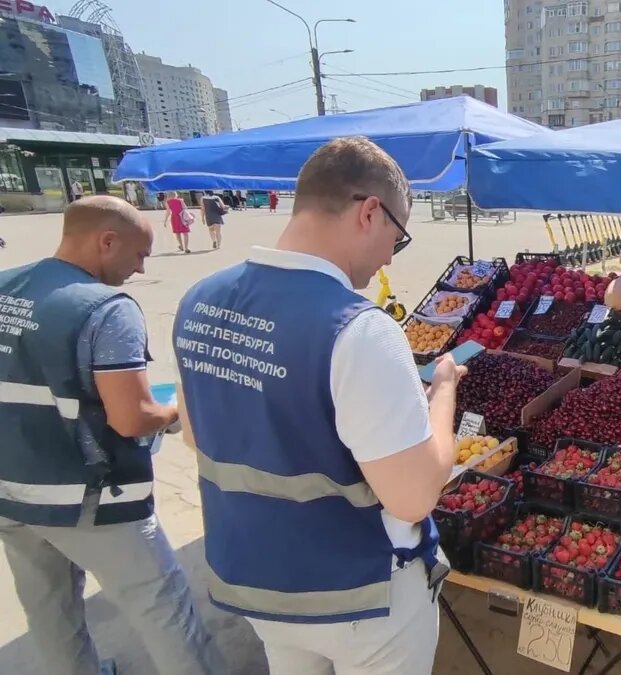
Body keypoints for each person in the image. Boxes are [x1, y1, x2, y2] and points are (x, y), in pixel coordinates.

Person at [173, 137, 462, 675]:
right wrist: (443, 391)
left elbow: (197, 435)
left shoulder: (198, 300)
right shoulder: (359, 329)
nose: (385, 261)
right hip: (358, 596)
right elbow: (414, 495)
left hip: (258, 582)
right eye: (395, 241)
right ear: (370, 213)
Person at [0, 195, 225, 675]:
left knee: (49, 607)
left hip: (11, 487)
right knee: (162, 606)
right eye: (139, 254)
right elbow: (131, 418)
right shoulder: (105, 308)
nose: (142, 269)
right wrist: (178, 411)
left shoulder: (4, 287)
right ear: (107, 241)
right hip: (89, 498)